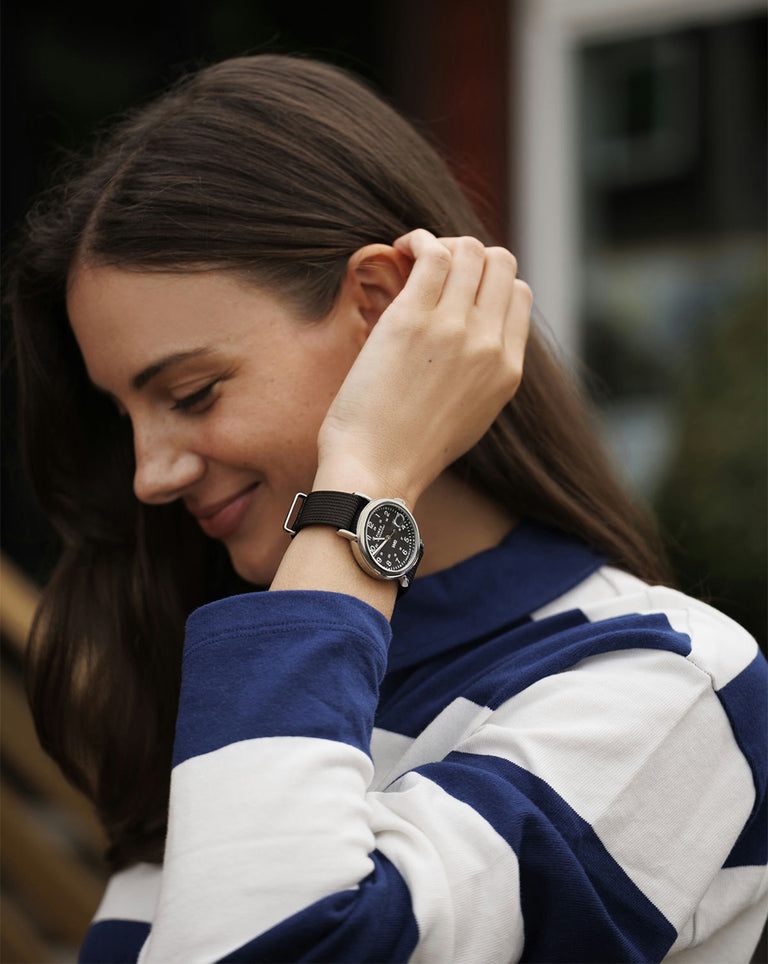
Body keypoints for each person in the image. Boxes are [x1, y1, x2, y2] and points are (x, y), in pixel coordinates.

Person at [9, 53, 767, 964]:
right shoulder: (229, 680)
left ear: (379, 308)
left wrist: (361, 484)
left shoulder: (670, 684)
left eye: (195, 391)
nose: (149, 475)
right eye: (122, 416)